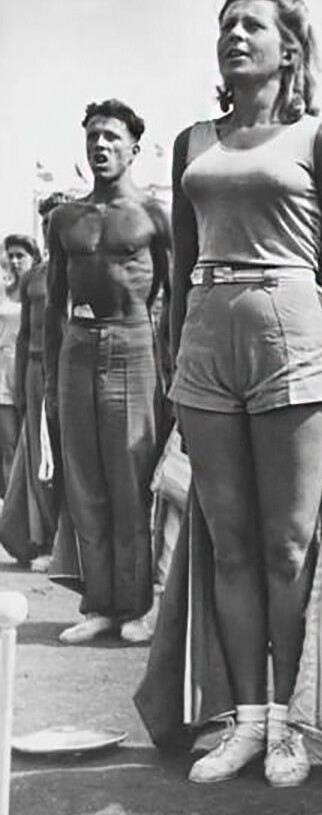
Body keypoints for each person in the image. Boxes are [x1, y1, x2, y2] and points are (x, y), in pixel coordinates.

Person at [168, 0, 322, 787]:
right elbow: (179, 270)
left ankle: (291, 721)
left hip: (294, 336)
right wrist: (175, 373)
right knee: (229, 543)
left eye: (251, 25)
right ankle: (247, 720)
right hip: (206, 342)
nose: (234, 35)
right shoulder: (190, 141)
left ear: (290, 47)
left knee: (288, 546)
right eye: (225, 25)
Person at [44, 99, 171, 646]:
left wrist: (174, 367)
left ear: (134, 148)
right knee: (85, 481)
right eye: (93, 136)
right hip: (78, 346)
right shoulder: (65, 219)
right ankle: (98, 604)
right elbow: (52, 305)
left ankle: (137, 605)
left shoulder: (153, 216)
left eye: (112, 138)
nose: (100, 146)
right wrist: (50, 381)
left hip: (133, 341)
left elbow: (176, 295)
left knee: (130, 479)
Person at [0, 196, 67, 569]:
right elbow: (25, 335)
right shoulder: (33, 277)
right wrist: (23, 383)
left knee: (69, 455)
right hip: (36, 370)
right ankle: (42, 541)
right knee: (38, 456)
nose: (50, 230)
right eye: (45, 225)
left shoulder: (81, 269)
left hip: (71, 370)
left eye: (56, 222)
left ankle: (69, 545)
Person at [0, 234, 40, 497]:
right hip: (3, 373)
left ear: (33, 257)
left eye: (20, 256)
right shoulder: (2, 290)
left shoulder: (41, 290)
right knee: (8, 443)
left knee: (33, 443)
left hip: (31, 370)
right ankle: (9, 507)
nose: (15, 261)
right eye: (11, 255)